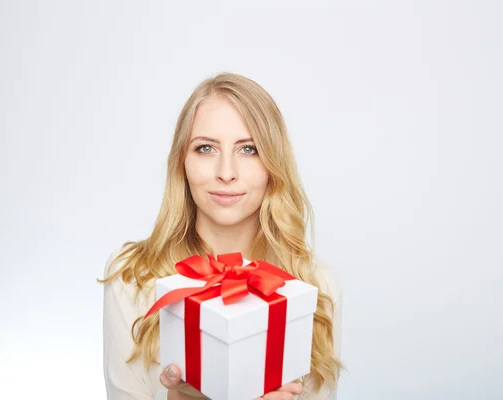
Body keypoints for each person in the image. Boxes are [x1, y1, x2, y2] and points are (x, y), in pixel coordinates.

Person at [100, 73, 343, 400]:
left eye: (249, 149)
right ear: (182, 163)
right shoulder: (132, 278)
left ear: (274, 164)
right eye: (205, 148)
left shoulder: (317, 286)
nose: (226, 172)